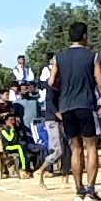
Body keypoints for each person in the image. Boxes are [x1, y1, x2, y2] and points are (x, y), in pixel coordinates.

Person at [47, 21, 101, 201]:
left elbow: (51, 82)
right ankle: (90, 190)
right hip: (85, 104)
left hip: (66, 106)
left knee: (75, 148)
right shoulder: (92, 56)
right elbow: (100, 83)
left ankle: (79, 191)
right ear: (84, 36)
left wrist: (65, 87)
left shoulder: (59, 57)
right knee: (91, 146)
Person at [35, 55, 66, 188]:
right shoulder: (51, 86)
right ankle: (42, 170)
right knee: (58, 151)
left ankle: (66, 177)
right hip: (52, 120)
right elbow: (50, 104)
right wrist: (59, 115)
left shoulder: (61, 84)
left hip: (60, 119)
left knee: (67, 148)